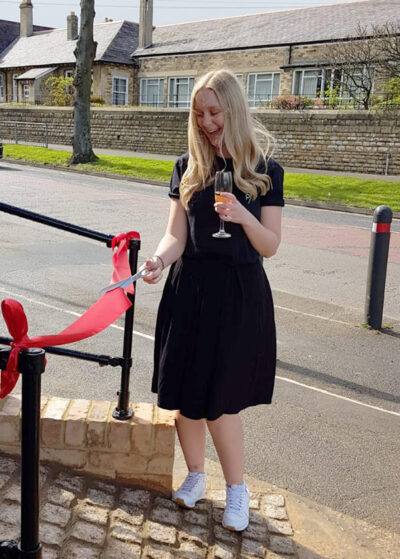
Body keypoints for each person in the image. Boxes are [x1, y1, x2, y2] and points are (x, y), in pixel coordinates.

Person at [142, 69, 284, 532]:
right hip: (189, 290)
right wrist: (158, 261)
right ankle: (197, 477)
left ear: (234, 110)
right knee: (185, 394)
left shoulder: (265, 170)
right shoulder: (188, 167)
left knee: (221, 400)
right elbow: (175, 236)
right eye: (199, 113)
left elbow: (270, 245)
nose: (205, 121)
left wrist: (243, 215)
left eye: (214, 112)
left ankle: (237, 491)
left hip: (238, 295)